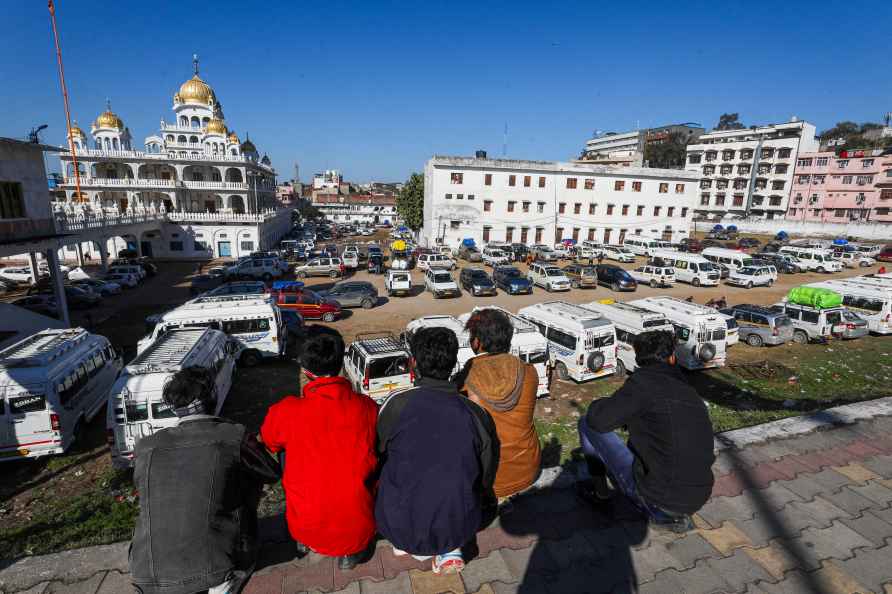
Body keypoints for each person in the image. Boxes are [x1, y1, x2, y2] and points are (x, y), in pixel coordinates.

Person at [130, 366, 280, 594]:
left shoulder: (146, 446)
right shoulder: (232, 436)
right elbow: (270, 472)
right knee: (247, 478)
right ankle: (231, 573)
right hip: (215, 569)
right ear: (213, 396)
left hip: (145, 572)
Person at [376, 327, 499, 575]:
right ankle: (449, 550)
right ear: (454, 363)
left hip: (397, 524)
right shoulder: (475, 413)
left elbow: (379, 454)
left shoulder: (396, 404)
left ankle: (408, 545)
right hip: (459, 523)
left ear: (413, 363)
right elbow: (486, 476)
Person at [260, 326, 378, 570]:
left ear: (304, 369)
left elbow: (269, 440)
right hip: (359, 526)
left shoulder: (286, 410)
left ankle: (307, 541)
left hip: (304, 525)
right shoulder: (367, 407)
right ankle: (350, 554)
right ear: (342, 362)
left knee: (284, 448)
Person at [576, 330, 715, 532]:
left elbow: (599, 421)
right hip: (699, 493)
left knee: (586, 423)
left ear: (639, 359)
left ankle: (601, 493)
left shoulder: (642, 384)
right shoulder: (689, 393)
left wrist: (601, 403)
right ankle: (669, 512)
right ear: (672, 358)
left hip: (659, 496)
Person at [459, 308, 541, 501]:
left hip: (492, 480)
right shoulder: (529, 372)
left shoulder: (464, 381)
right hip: (529, 467)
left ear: (477, 342)